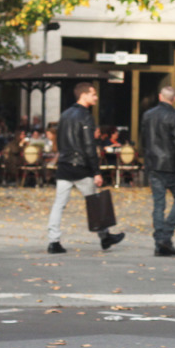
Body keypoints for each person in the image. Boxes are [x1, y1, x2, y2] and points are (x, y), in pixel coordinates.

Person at [46, 82, 124, 253]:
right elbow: (89, 145)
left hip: (65, 165)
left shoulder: (65, 115)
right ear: (84, 95)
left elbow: (59, 140)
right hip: (80, 166)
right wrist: (96, 171)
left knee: (59, 204)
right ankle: (105, 237)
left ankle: (53, 241)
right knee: (94, 202)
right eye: (93, 94)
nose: (96, 97)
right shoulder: (85, 116)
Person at [141, 85, 175, 257]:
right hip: (171, 166)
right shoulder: (174, 116)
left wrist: (146, 163)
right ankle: (166, 236)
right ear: (174, 99)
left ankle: (160, 240)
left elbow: (144, 141)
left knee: (159, 204)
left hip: (154, 165)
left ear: (160, 96)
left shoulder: (147, 115)